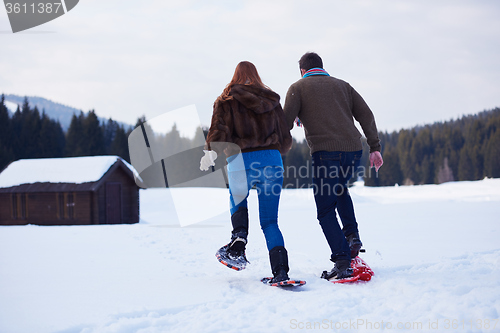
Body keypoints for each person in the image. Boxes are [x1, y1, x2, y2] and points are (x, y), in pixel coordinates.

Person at [283, 52, 383, 280]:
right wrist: (375, 147)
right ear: (321, 67)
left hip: (325, 152)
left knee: (325, 209)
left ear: (302, 71)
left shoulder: (297, 88)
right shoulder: (343, 86)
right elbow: (366, 115)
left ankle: (342, 260)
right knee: (340, 190)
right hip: (353, 150)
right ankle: (351, 237)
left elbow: (284, 122)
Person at [200, 61, 293, 283]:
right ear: (256, 76)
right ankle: (281, 272)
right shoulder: (271, 100)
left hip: (240, 160)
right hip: (272, 161)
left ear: (236, 76)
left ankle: (238, 239)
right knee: (270, 221)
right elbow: (286, 140)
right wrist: (270, 150)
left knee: (238, 199)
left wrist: (210, 152)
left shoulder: (226, 100)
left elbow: (218, 130)